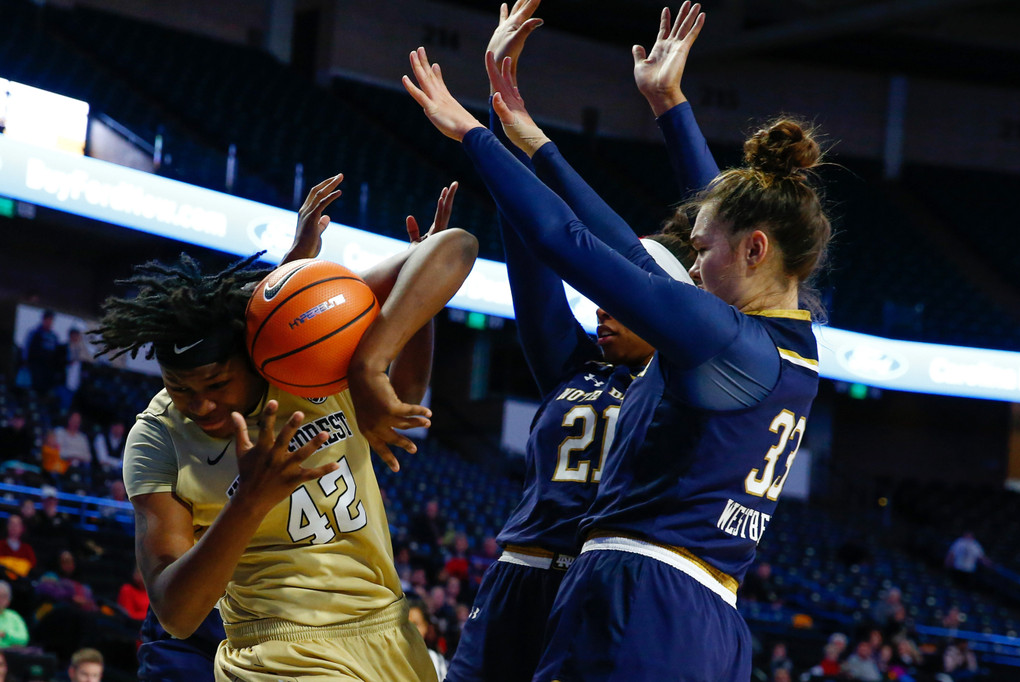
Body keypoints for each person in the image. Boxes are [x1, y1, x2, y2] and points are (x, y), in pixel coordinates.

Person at [403, 2, 830, 675]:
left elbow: (569, 240)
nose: (690, 268)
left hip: (642, 595)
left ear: (753, 251)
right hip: (708, 613)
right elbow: (693, 230)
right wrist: (563, 135)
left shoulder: (719, 336)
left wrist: (472, 135)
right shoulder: (790, 342)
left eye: (698, 254)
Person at [94, 174, 478, 681]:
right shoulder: (158, 436)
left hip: (387, 630)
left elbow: (456, 248)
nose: (200, 402)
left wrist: (376, 354)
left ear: (252, 354)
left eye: (216, 382)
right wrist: (249, 499)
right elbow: (176, 614)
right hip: (277, 649)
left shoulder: (307, 357)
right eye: (179, 386)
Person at [445, 5, 696, 681]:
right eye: (600, 299)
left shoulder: (687, 377)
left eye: (622, 301)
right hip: (520, 571)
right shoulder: (571, 361)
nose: (601, 310)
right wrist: (501, 112)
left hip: (603, 586)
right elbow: (530, 245)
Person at [0, 514, 36, 579]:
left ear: (22, 528)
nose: (14, 527)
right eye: (11, 524)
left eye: (17, 524)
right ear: (7, 526)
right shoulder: (1, 545)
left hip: (22, 583)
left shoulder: (27, 548)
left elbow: (32, 567)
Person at [0, 580, 28, 648]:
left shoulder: (14, 616)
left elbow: (24, 639)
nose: (0, 599)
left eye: (4, 596)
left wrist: (5, 635)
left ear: (9, 600)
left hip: (10, 653)